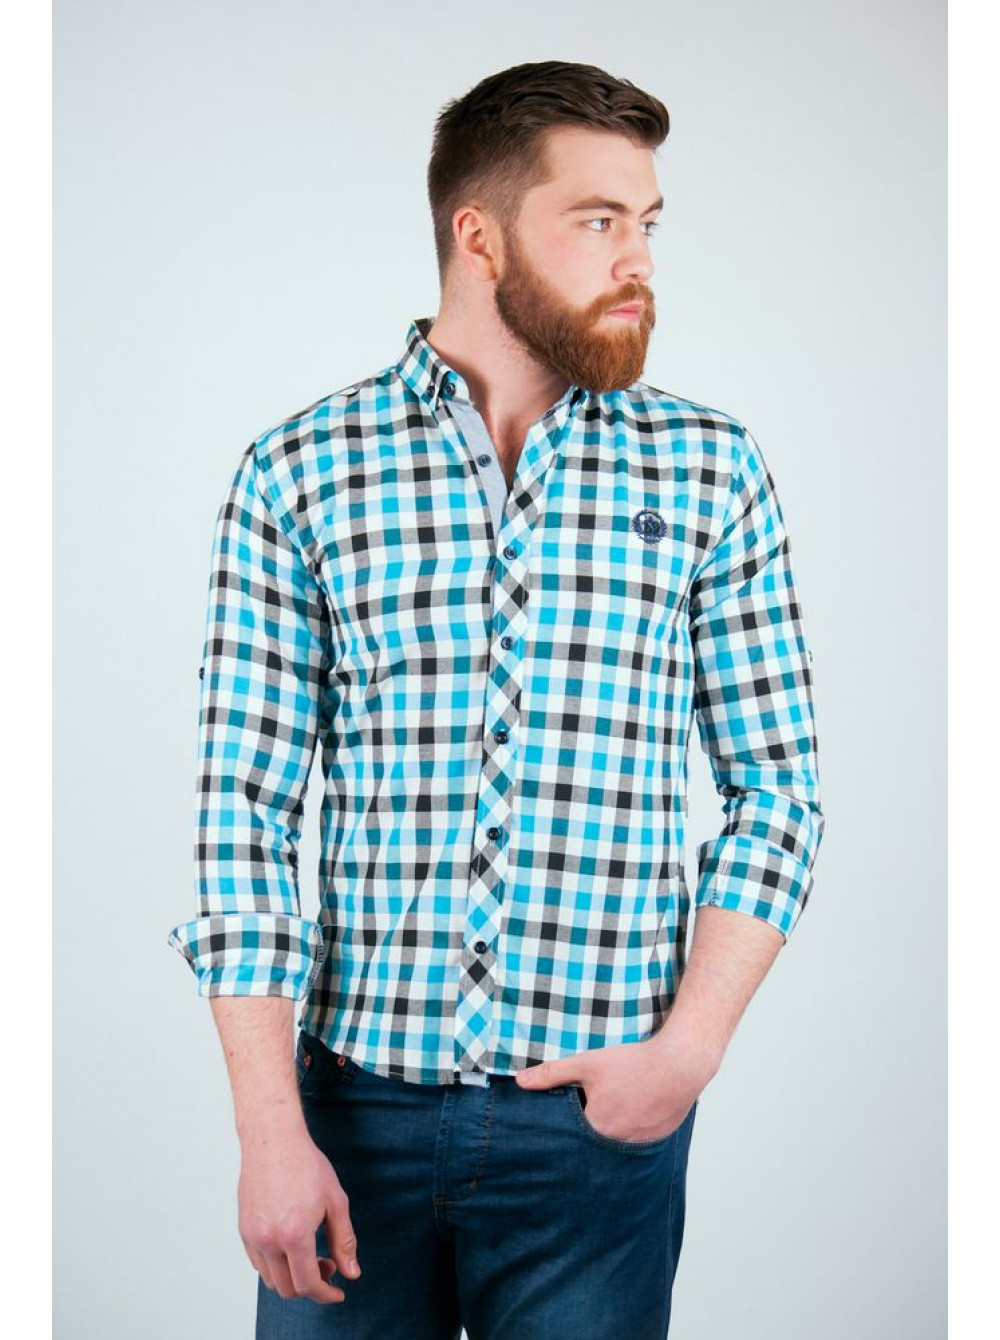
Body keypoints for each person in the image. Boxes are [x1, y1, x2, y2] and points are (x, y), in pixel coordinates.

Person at [167, 59, 826, 1340]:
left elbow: (778, 791)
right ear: (479, 236)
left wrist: (684, 1055)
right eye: (597, 219)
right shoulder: (300, 471)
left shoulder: (710, 470)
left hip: (595, 1132)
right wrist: (268, 1130)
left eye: (647, 222)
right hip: (349, 1121)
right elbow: (240, 812)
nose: (637, 259)